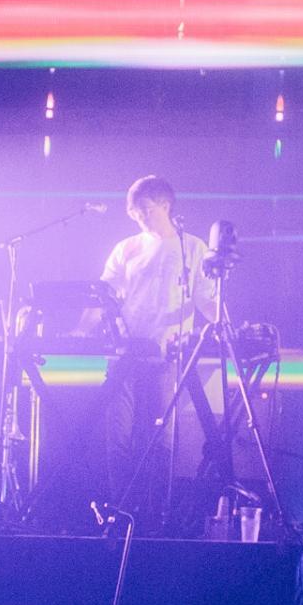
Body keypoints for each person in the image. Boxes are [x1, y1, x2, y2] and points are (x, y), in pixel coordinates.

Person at [100, 175, 219, 522]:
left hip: (166, 357)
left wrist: (227, 325)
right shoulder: (126, 248)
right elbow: (104, 298)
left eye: (145, 209)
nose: (138, 216)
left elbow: (206, 298)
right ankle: (120, 511)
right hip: (123, 355)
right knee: (117, 437)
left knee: (162, 439)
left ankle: (156, 513)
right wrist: (80, 330)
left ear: (165, 204)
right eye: (133, 211)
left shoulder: (193, 247)